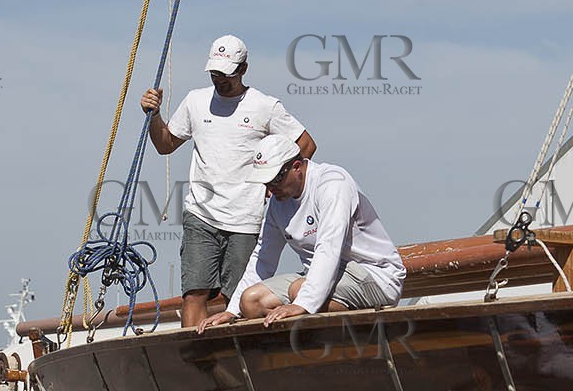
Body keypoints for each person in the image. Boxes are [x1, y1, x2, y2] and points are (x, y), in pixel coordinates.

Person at [140, 34, 317, 327]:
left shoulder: (264, 106)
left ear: (243, 69)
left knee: (239, 297)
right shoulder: (195, 101)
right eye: (214, 73)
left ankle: (234, 351)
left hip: (246, 219)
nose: (219, 80)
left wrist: (277, 183)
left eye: (226, 74)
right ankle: (193, 352)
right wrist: (154, 115)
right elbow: (165, 144)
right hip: (201, 214)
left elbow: (306, 144)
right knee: (194, 294)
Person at [197, 136, 405, 330]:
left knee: (299, 291)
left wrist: (303, 303)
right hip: (319, 278)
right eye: (265, 182)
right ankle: (297, 345)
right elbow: (263, 257)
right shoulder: (278, 204)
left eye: (275, 179)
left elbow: (329, 248)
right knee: (250, 301)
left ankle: (351, 339)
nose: (271, 188)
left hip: (375, 276)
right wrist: (232, 311)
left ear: (297, 167)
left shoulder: (332, 183)